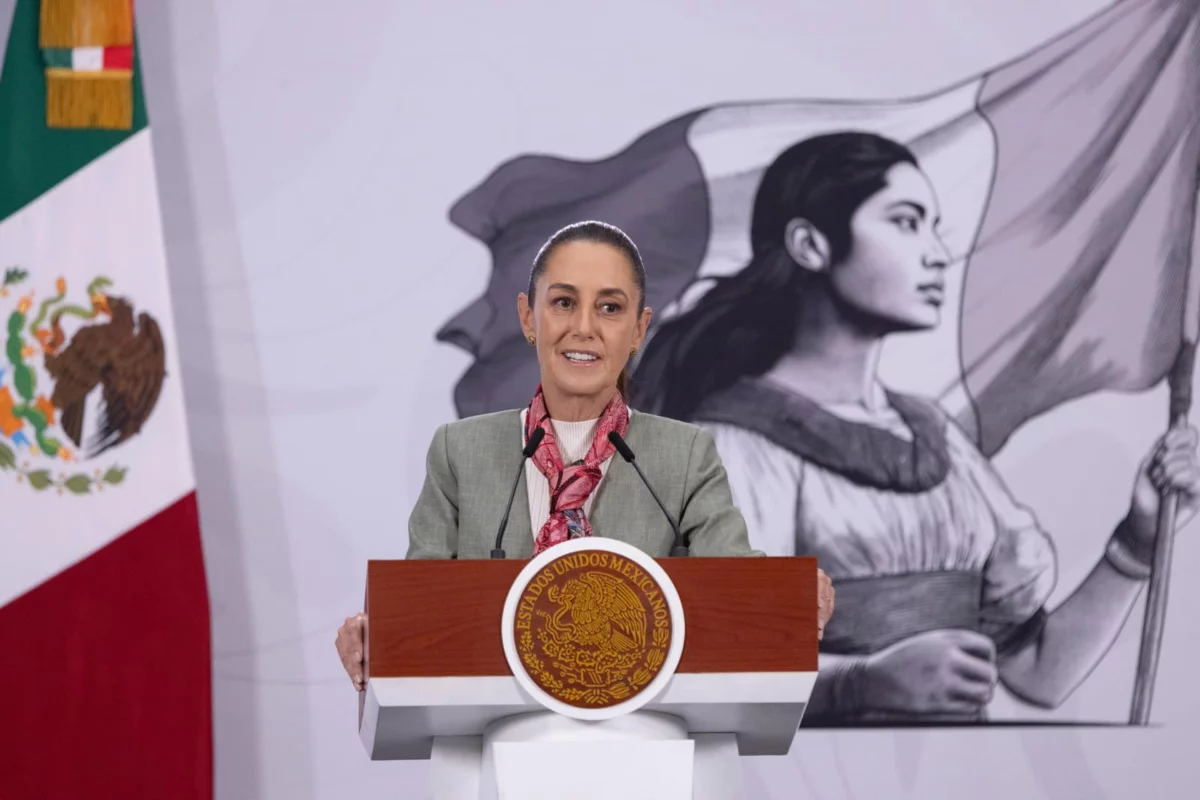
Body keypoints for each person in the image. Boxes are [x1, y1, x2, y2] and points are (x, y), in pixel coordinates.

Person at [631, 132, 1200, 724]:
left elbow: (1038, 673)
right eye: (906, 223)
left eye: (934, 227)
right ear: (810, 244)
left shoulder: (938, 439)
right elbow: (709, 679)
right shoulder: (733, 446)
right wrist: (860, 684)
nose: (937, 253)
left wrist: (1139, 539)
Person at [335, 220, 838, 690]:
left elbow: (737, 582)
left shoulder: (684, 455)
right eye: (563, 302)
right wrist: (373, 633)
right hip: (495, 737)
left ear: (639, 330)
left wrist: (791, 593)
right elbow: (418, 609)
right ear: (528, 317)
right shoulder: (460, 452)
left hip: (641, 736)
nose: (584, 327)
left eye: (610, 308)